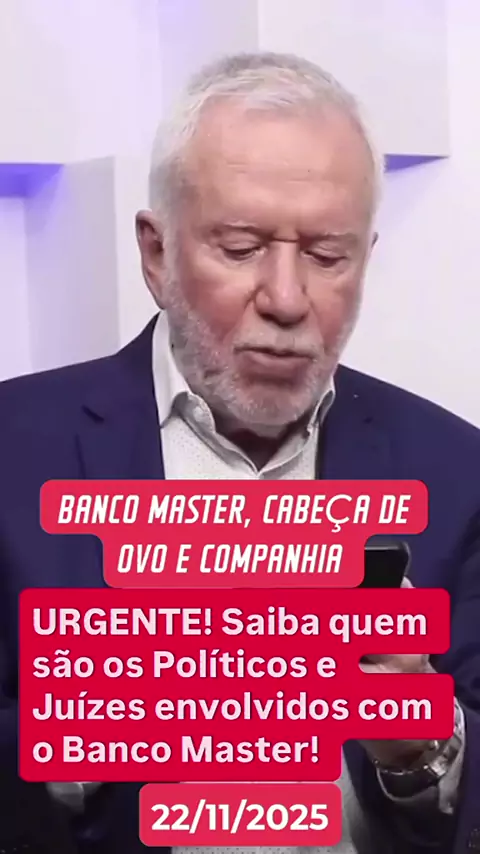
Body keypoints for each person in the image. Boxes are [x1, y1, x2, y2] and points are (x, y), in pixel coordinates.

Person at [0, 51, 479, 854]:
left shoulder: (458, 473)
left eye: (327, 256)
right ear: (157, 255)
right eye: (241, 246)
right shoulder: (13, 451)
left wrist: (428, 749)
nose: (287, 299)